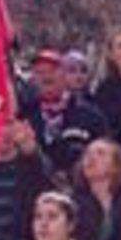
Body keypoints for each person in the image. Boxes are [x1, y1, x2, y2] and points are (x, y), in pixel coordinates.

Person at [21, 49, 108, 177]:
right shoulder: (25, 116)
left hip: (79, 184)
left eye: (52, 70)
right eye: (40, 72)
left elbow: (106, 155)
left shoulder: (90, 115)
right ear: (33, 79)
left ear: (65, 75)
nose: (46, 76)